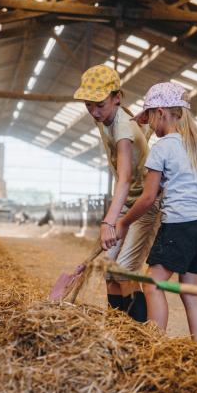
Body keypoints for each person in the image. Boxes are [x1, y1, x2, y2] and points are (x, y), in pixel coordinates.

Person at [115, 82, 197, 339]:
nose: (150, 126)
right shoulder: (196, 143)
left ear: (161, 113)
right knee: (191, 291)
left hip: (180, 223)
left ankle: (156, 343)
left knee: (153, 282)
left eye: (150, 118)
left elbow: (147, 198)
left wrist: (123, 222)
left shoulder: (162, 147)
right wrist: (191, 177)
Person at [73, 65, 160, 322]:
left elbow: (125, 178)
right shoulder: (107, 118)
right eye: (89, 105)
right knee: (109, 270)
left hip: (145, 204)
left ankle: (139, 333)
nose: (94, 112)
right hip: (127, 201)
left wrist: (108, 222)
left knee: (125, 271)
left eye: (99, 104)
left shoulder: (122, 128)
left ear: (117, 97)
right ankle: (116, 329)